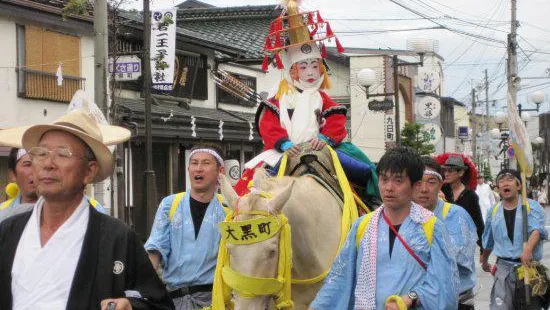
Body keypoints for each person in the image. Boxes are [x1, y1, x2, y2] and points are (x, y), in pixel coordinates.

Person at [0, 110, 173, 310]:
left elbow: (159, 303)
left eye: (63, 154)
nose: (48, 164)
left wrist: (130, 305)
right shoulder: (9, 231)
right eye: (41, 153)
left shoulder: (117, 237)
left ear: (89, 171)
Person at [234, 0, 380, 206]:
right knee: (251, 185)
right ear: (292, 70)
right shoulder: (277, 99)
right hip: (283, 151)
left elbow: (336, 121)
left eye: (314, 65)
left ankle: (371, 203)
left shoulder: (323, 99)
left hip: (322, 148)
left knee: (365, 169)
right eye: (303, 67)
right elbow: (269, 126)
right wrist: (284, 143)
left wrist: (325, 138)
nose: (310, 72)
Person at [310, 146, 458, 310]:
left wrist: (411, 298)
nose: (389, 187)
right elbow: (339, 279)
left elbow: (445, 286)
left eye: (398, 180)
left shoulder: (432, 227)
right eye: (384, 179)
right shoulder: (362, 226)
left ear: (415, 185)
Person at [145, 146, 227, 310]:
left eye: (206, 163)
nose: (199, 168)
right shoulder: (170, 204)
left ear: (220, 171)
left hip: (215, 299)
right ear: (188, 168)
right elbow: (155, 249)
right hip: (174, 300)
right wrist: (141, 288)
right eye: (194, 163)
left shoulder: (228, 209)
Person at [414, 156, 478, 310]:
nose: (424, 189)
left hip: (455, 301)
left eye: (431, 182)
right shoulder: (404, 216)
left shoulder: (457, 215)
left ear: (440, 185)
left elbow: (455, 262)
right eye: (418, 182)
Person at [480, 169, 547, 310]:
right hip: (503, 270)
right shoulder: (493, 211)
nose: (505, 183)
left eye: (510, 180)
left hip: (529, 268)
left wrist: (528, 248)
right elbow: (488, 240)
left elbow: (537, 230)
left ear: (518, 186)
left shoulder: (531, 206)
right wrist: (485, 260)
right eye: (501, 181)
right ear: (498, 188)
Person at [440, 155, 485, 251]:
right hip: (442, 243)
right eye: (445, 170)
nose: (446, 174)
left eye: (450, 171)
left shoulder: (470, 196)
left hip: (462, 246)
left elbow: (478, 222)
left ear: (461, 172)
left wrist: (482, 249)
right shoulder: (441, 191)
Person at [0, 148, 37, 224]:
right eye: (27, 164)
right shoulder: (3, 215)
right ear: (13, 174)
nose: (35, 171)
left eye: (39, 163)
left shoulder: (62, 211)